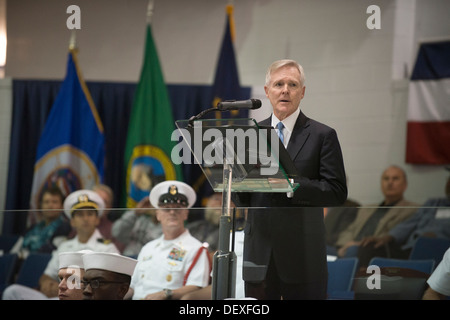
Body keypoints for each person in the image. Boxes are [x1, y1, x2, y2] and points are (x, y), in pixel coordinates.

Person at [232, 59, 348, 300]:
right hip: (259, 256)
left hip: (303, 256)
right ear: (267, 91)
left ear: (302, 92)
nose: (285, 90)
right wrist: (235, 182)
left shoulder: (322, 135)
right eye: (278, 84)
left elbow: (336, 191)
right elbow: (242, 199)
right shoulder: (249, 135)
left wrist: (292, 186)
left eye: (292, 84)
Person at [2, 189, 120, 300]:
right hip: (59, 296)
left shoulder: (108, 248)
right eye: (80, 215)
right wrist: (47, 284)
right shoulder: (64, 246)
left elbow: (116, 285)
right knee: (12, 291)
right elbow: (47, 275)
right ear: (72, 222)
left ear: (97, 220)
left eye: (90, 214)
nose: (85, 219)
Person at [128, 180, 211, 300]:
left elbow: (196, 287)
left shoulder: (196, 248)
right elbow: (133, 286)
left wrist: (165, 294)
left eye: (178, 208)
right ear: (158, 214)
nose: (172, 212)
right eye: (166, 208)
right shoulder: (148, 248)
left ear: (186, 214)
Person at [335, 165, 419, 266]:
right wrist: (345, 245)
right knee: (320, 249)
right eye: (386, 178)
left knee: (352, 251)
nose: (390, 182)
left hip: (371, 250)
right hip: (348, 247)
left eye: (395, 178)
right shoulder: (366, 209)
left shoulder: (412, 209)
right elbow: (350, 230)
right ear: (381, 184)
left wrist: (356, 244)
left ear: (405, 184)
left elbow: (391, 235)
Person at [357, 173, 450, 262]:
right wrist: (388, 237)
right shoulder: (433, 203)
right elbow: (410, 223)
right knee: (371, 247)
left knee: (427, 244)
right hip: (411, 247)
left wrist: (437, 236)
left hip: (440, 249)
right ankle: (365, 277)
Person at [10, 186, 71, 259]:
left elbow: (52, 252)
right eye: (46, 202)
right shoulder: (32, 228)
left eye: (54, 202)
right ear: (41, 205)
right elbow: (13, 252)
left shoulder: (64, 227)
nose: (50, 206)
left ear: (61, 206)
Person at [92, 184, 125, 252]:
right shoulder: (79, 226)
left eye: (104, 202)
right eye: (97, 200)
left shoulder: (114, 231)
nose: (100, 204)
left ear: (109, 207)